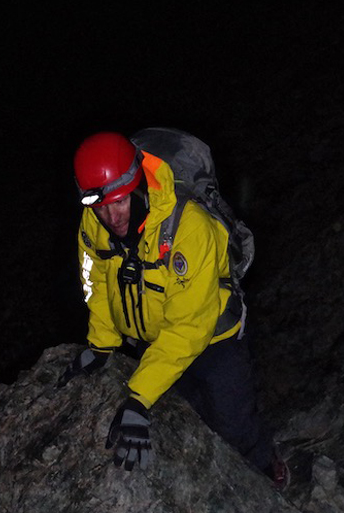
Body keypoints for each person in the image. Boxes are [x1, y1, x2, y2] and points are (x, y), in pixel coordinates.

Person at [57, 131, 288, 489]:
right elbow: (97, 283)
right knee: (192, 415)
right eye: (100, 206)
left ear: (137, 187)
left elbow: (189, 327)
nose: (111, 216)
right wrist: (101, 344)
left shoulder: (189, 227)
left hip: (214, 340)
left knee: (234, 425)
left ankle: (265, 470)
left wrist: (139, 397)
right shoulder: (93, 223)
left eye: (120, 202)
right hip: (153, 343)